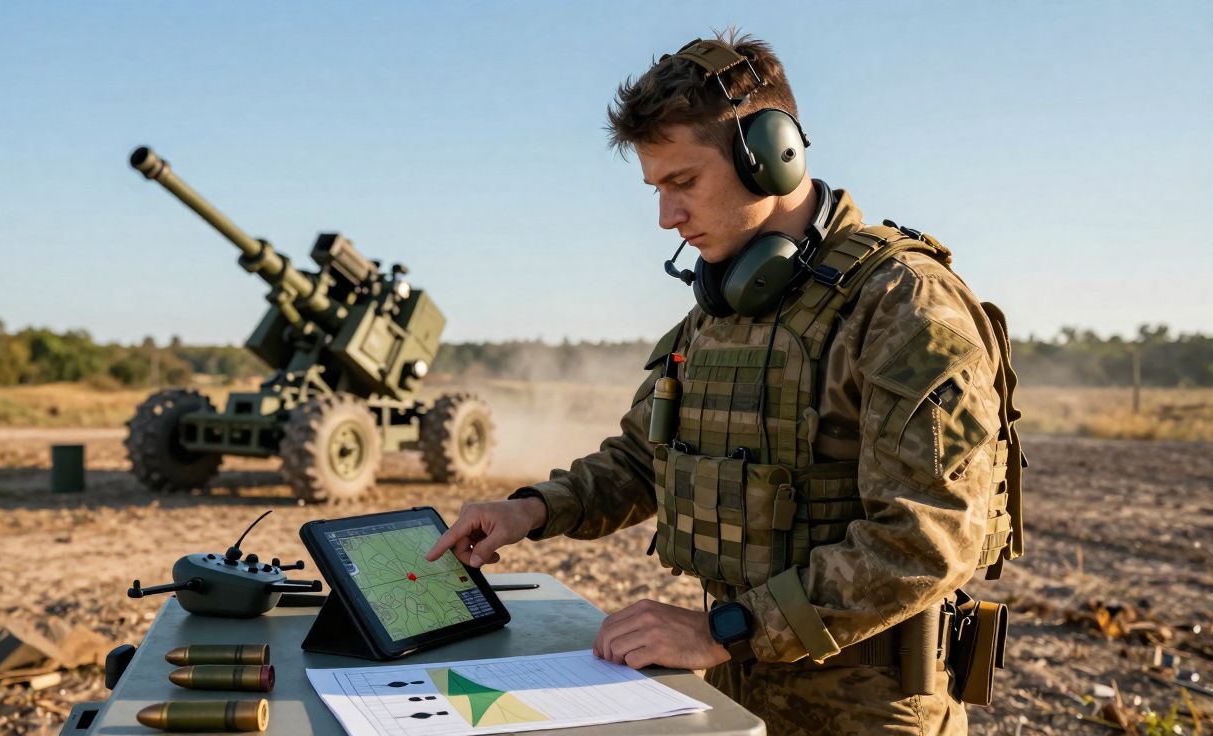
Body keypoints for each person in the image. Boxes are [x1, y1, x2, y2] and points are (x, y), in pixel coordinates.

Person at [427, 30, 1023, 735]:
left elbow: (928, 539)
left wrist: (721, 631)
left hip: (868, 711)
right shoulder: (721, 308)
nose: (665, 218)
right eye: (656, 188)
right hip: (735, 691)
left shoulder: (901, 305)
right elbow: (644, 459)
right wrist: (532, 511)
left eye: (682, 183)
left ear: (771, 154)